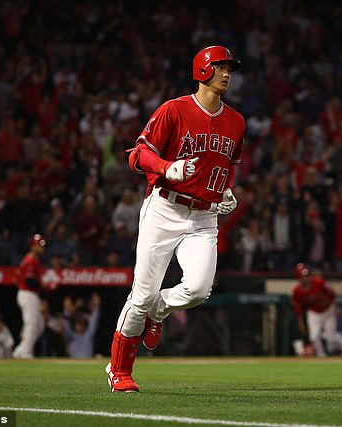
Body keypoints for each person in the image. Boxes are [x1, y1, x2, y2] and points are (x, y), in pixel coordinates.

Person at [107, 45, 244, 393]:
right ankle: (119, 370)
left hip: (203, 218)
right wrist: (168, 167)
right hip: (165, 208)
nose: (227, 73)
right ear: (203, 70)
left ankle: (160, 310)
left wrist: (225, 192)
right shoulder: (174, 109)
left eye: (230, 68)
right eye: (221, 67)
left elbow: (225, 168)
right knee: (140, 295)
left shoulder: (236, 121)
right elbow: (137, 155)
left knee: (198, 289)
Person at [290, 263, 342, 357]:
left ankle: (341, 343)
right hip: (314, 313)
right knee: (314, 337)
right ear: (299, 277)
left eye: (308, 275)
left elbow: (332, 294)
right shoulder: (297, 292)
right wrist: (301, 323)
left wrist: (335, 307)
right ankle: (321, 356)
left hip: (328, 311)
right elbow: (298, 308)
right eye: (304, 276)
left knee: (330, 341)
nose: (307, 278)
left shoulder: (319, 283)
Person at [12, 234, 47, 358]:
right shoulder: (30, 259)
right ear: (33, 246)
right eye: (39, 245)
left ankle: (22, 349)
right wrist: (43, 285)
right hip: (28, 293)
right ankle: (24, 352)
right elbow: (29, 280)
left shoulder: (32, 259)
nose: (41, 248)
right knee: (31, 324)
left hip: (30, 294)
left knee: (39, 325)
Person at [63, 292, 101, 358]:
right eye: (78, 323)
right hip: (73, 364)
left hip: (88, 363)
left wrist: (96, 307)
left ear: (85, 324)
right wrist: (66, 309)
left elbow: (93, 321)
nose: (80, 326)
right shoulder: (71, 335)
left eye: (82, 323)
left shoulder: (89, 334)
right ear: (75, 325)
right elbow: (66, 324)